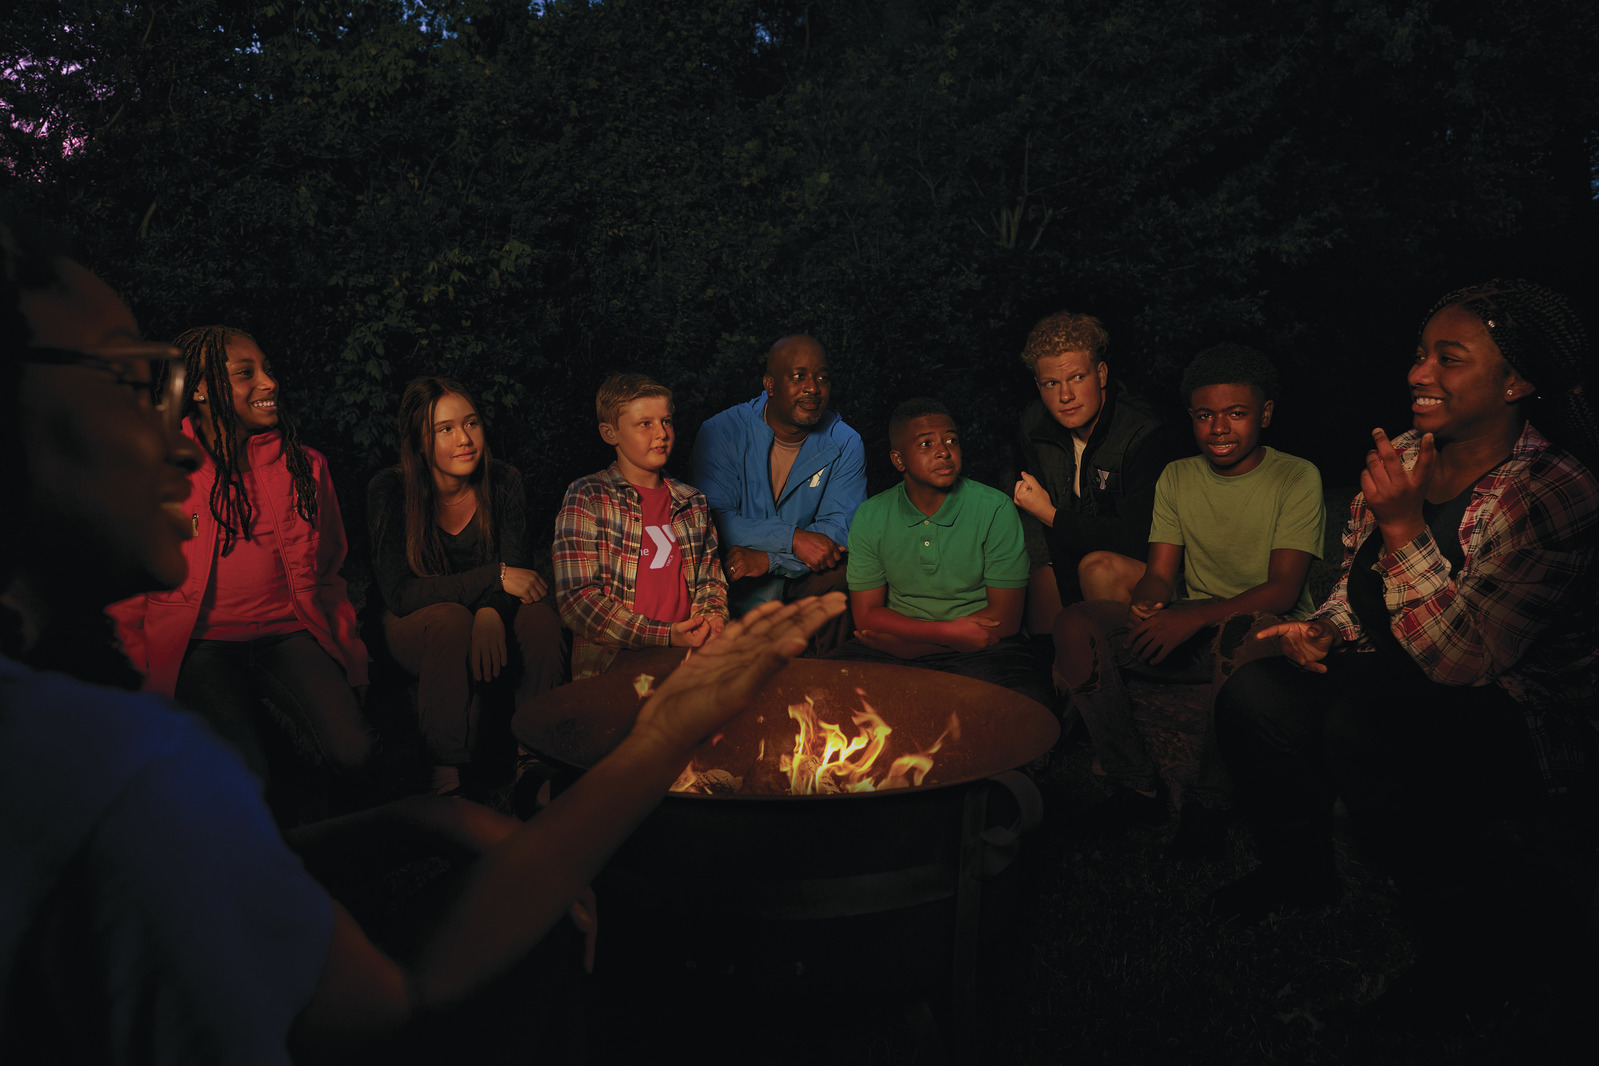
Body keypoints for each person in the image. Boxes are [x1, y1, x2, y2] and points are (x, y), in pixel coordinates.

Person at [0, 212, 848, 1059]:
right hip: (361, 644)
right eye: (127, 379)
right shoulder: (121, 765)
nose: (180, 447)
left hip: (367, 648)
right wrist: (663, 735)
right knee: (541, 960)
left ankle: (505, 765)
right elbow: (392, 998)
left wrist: (408, 819)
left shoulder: (61, 730)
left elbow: (204, 863)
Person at [1211, 281, 1599, 1011]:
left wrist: (1403, 527)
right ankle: (1298, 874)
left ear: (1516, 382)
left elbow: (1467, 661)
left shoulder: (1550, 491)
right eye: (1420, 354)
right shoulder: (1408, 454)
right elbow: (1358, 581)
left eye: (1447, 358)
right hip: (1404, 672)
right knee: (1256, 693)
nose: (1417, 373)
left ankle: (1462, 951)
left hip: (1517, 709)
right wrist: (1328, 627)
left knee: (1367, 726)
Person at [1052, 345, 1323, 835]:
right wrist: (1148, 600)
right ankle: (1133, 782)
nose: (1219, 428)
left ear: (1264, 414)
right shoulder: (1178, 476)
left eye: (1236, 413)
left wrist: (1192, 617)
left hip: (1265, 634)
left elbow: (1283, 591)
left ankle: (1209, 803)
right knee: (1074, 623)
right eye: (1204, 415)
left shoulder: (1296, 476)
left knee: (1242, 633)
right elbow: (1160, 572)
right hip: (1194, 625)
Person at [106, 322, 373, 801]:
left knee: (356, 755)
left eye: (267, 369)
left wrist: (351, 660)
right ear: (201, 390)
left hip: (286, 634)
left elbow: (329, 574)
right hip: (200, 645)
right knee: (247, 781)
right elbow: (130, 581)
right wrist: (133, 680)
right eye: (246, 373)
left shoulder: (305, 468)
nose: (269, 382)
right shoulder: (161, 469)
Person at [367, 377, 567, 795]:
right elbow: (400, 594)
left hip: (483, 613)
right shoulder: (391, 489)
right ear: (420, 443)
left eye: (471, 423)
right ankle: (444, 778)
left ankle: (534, 760)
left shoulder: (504, 481)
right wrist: (495, 578)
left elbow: (523, 578)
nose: (464, 439)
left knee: (539, 619)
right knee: (451, 618)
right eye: (445, 429)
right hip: (414, 625)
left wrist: (492, 610)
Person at [830, 397, 1050, 705]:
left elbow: (1007, 618)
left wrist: (916, 649)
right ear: (899, 460)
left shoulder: (994, 508)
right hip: (900, 642)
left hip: (983, 644)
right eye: (926, 444)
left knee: (1026, 702)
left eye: (951, 440)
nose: (944, 451)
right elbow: (867, 616)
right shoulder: (871, 515)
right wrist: (944, 633)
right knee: (823, 688)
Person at [689, 334, 866, 650]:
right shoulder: (722, 431)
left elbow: (839, 531)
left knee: (845, 572)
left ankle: (827, 675)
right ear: (770, 385)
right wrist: (793, 539)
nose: (813, 388)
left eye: (822, 377)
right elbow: (713, 519)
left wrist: (770, 559)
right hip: (732, 574)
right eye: (799, 377)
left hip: (797, 577)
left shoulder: (845, 442)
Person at [1011, 312, 1184, 633]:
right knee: (1041, 581)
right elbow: (1054, 540)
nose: (1065, 396)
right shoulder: (1034, 425)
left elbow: (1140, 539)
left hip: (1156, 575)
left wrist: (1050, 515)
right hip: (1080, 557)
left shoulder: (1143, 432)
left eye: (1077, 377)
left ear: (1101, 374)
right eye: (1051, 383)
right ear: (1038, 385)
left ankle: (1122, 654)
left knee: (1097, 568)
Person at [550, 372, 729, 680]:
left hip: (686, 656)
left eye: (666, 421)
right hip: (614, 662)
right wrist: (665, 635)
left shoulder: (693, 503)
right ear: (610, 433)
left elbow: (710, 583)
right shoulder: (589, 496)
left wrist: (710, 622)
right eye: (645, 424)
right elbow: (577, 600)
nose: (661, 433)